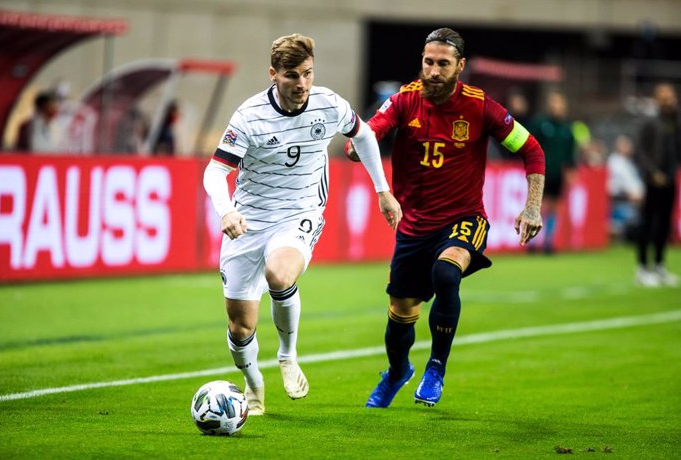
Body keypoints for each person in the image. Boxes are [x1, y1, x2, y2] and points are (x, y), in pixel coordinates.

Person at [203, 34, 402, 416]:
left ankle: (287, 355)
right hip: (250, 218)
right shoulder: (250, 116)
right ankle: (253, 385)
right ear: (273, 74)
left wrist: (383, 190)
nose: (302, 84)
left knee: (280, 274)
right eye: (292, 75)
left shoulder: (328, 104)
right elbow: (215, 171)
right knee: (240, 326)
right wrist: (226, 210)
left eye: (308, 74)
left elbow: (363, 135)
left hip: (301, 212)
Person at [347, 27, 545, 408]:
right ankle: (397, 370)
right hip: (412, 225)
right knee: (401, 315)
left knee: (446, 272)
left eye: (442, 64)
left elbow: (532, 149)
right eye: (428, 63)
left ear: (460, 67)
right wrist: (359, 145)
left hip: (464, 217)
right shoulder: (404, 100)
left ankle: (436, 367)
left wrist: (532, 205)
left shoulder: (480, 106)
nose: (433, 71)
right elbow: (370, 134)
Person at [634, 82, 680, 287]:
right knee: (648, 222)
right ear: (657, 99)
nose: (669, 100)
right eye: (665, 96)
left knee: (664, 223)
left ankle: (660, 265)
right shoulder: (650, 121)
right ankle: (642, 268)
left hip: (670, 178)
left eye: (671, 96)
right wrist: (652, 173)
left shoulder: (675, 120)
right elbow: (640, 150)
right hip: (652, 180)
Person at [529, 89, 577, 253]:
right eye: (554, 103)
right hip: (541, 173)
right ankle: (533, 241)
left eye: (559, 103)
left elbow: (571, 153)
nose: (557, 106)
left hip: (558, 173)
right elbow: (531, 146)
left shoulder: (567, 128)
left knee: (555, 207)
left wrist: (571, 171)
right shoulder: (540, 124)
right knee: (539, 205)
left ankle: (548, 241)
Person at [607, 134, 644, 241]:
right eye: (625, 145)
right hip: (622, 199)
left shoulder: (630, 163)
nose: (628, 148)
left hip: (636, 197)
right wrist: (632, 195)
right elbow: (617, 185)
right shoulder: (615, 162)